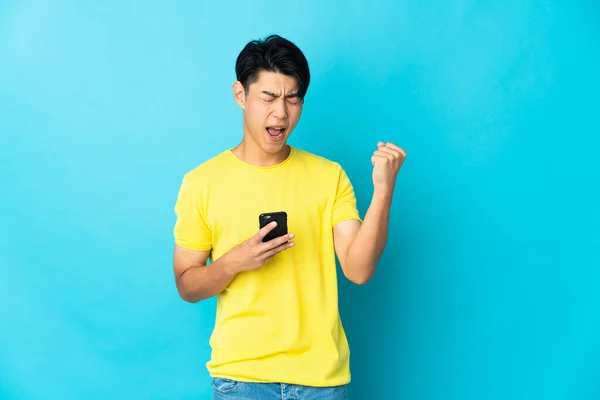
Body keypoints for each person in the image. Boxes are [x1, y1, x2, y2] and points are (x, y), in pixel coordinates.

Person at [172, 34, 406, 400]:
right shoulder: (202, 183)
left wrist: (383, 190)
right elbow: (187, 285)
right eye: (268, 97)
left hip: (320, 381)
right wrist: (234, 262)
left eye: (292, 99)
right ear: (240, 95)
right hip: (241, 379)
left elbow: (358, 270)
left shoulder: (329, 176)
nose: (280, 113)